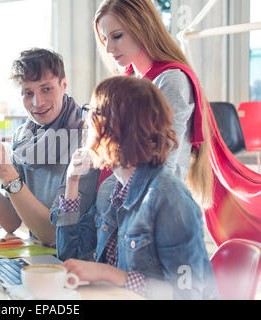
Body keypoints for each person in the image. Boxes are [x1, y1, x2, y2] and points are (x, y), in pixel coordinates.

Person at [93, 0, 261, 245]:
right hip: (127, 206)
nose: (108, 48)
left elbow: (165, 162)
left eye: (116, 36)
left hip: (153, 213)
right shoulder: (130, 78)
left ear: (142, 27)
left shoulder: (171, 79)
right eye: (104, 38)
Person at [52, 76, 219, 300]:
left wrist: (111, 274)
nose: (86, 124)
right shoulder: (110, 189)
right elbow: (70, 256)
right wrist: (72, 182)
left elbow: (189, 293)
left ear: (112, 129)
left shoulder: (169, 197)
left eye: (91, 114)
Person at [0, 48, 100, 248]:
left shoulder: (88, 137)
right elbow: (11, 221)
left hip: (76, 259)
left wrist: (8, 174)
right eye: (28, 93)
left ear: (63, 84)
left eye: (46, 89)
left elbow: (54, 234)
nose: (38, 102)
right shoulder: (23, 136)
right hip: (39, 255)